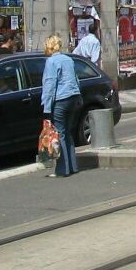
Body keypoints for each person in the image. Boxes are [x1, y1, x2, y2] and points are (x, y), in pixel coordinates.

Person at [40, 34, 82, 178]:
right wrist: (79, 97)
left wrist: (46, 108)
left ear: (49, 46)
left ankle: (63, 169)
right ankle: (73, 166)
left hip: (60, 100)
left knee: (60, 134)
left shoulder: (51, 62)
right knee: (68, 132)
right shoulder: (68, 59)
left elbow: (50, 84)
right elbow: (76, 79)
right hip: (73, 98)